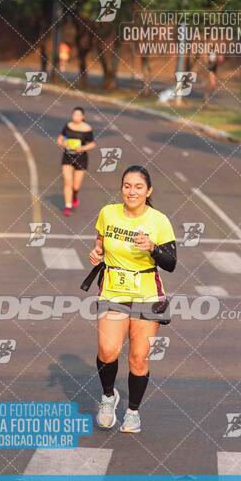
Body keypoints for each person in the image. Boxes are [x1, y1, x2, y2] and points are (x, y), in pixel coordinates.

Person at [82, 166, 177, 433]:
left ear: (148, 191)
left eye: (138, 187)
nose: (131, 191)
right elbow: (100, 241)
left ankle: (133, 411)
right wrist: (97, 251)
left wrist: (153, 248)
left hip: (147, 295)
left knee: (138, 358)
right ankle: (108, 397)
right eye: (127, 185)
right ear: (121, 188)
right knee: (108, 351)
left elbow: (171, 263)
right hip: (113, 292)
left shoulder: (159, 221)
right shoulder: (108, 213)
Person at [57, 107, 96, 217]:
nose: (76, 117)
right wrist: (64, 144)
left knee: (76, 186)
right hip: (67, 157)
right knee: (67, 182)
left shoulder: (87, 129)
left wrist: (82, 148)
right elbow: (60, 139)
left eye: (78, 115)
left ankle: (74, 195)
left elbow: (92, 143)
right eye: (74, 115)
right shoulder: (68, 126)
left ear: (83, 117)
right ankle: (68, 206)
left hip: (81, 159)